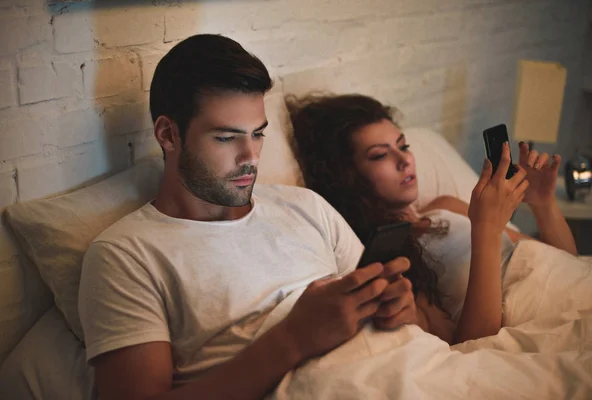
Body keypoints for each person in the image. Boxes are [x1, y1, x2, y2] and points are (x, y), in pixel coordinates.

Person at [78, 34, 425, 400]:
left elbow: (406, 323)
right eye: (227, 138)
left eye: (257, 134)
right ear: (168, 134)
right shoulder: (126, 255)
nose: (252, 156)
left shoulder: (306, 207)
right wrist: (292, 339)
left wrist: (401, 308)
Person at [287, 93, 578, 344]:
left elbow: (565, 264)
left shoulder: (446, 206)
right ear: (347, 177)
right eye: (379, 155)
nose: (404, 161)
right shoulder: (396, 256)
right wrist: (486, 230)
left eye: (403, 146)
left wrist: (543, 203)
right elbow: (472, 344)